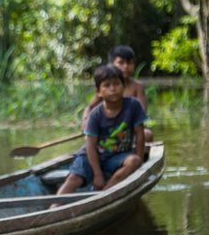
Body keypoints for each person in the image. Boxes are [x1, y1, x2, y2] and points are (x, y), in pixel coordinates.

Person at [58, 64, 148, 194]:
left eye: (117, 84)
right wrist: (97, 174)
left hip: (118, 156)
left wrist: (139, 162)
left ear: (124, 86)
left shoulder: (133, 106)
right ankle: (53, 208)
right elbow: (90, 146)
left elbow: (140, 134)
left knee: (134, 161)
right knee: (73, 179)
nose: (113, 89)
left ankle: (102, 194)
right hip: (92, 156)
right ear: (99, 92)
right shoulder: (95, 115)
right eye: (107, 85)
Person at [81, 45, 153, 141]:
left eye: (129, 63)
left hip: (130, 128)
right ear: (111, 64)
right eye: (121, 63)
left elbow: (142, 112)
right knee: (89, 137)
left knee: (147, 134)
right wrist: (85, 119)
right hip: (108, 128)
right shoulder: (105, 87)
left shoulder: (137, 87)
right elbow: (90, 107)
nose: (126, 67)